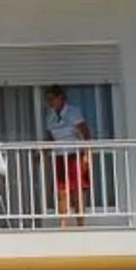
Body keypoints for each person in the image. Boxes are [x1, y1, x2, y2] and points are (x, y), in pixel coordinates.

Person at [41, 84, 92, 225]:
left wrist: (86, 155)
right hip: (59, 156)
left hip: (75, 155)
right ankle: (63, 223)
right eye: (48, 99)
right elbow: (51, 136)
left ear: (60, 98)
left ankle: (80, 223)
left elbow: (85, 133)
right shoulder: (50, 116)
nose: (50, 102)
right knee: (61, 190)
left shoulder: (73, 112)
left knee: (77, 190)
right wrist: (42, 151)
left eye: (52, 98)